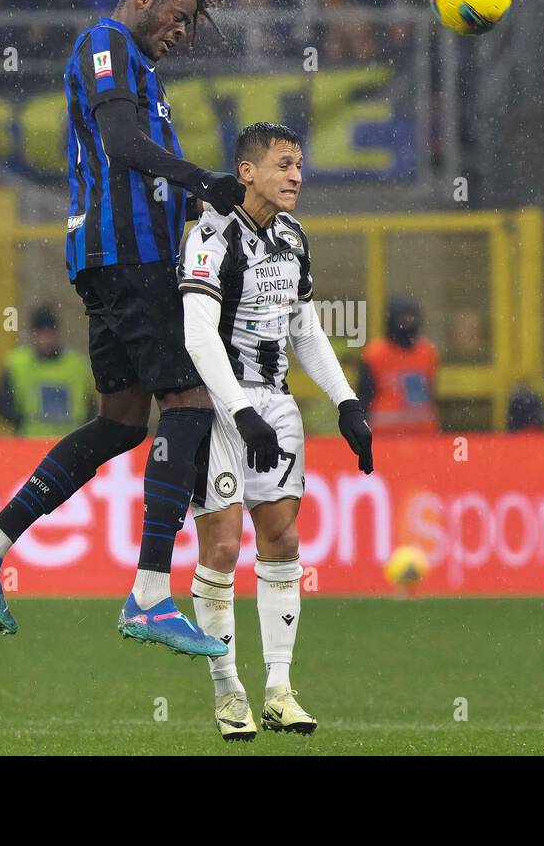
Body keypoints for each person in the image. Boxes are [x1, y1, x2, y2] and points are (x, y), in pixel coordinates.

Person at [0, 0, 248, 651]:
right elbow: (119, 141)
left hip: (117, 261)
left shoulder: (142, 70)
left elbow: (140, 158)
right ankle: (147, 594)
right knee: (191, 403)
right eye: (175, 18)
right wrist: (205, 180)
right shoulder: (105, 43)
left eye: (188, 27)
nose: (180, 34)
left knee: (119, 423)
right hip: (128, 258)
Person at [179, 122, 373, 740]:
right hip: (217, 406)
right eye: (284, 164)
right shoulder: (210, 236)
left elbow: (305, 329)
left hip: (278, 405)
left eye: (299, 165)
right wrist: (238, 410)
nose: (296, 176)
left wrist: (345, 402)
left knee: (283, 540)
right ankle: (228, 691)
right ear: (246, 171)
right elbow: (198, 336)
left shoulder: (293, 238)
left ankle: (280, 690)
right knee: (221, 547)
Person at [0, 307, 93, 437]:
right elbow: (1, 402)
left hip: (69, 443)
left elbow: (91, 406)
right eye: (42, 333)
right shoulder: (17, 364)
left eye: (50, 333)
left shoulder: (77, 366)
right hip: (32, 443)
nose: (47, 339)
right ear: (34, 335)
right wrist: (19, 420)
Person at [359, 297, 440, 434]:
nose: (408, 323)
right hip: (385, 435)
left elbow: (431, 391)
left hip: (423, 433)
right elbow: (364, 396)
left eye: (411, 317)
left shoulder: (427, 352)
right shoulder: (375, 354)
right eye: (403, 318)